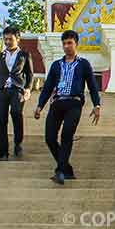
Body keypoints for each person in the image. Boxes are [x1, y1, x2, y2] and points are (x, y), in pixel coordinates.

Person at [34, 30, 101, 185]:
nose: (66, 46)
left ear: (76, 44)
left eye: (69, 43)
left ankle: (60, 171)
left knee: (66, 135)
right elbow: (48, 86)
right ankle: (67, 169)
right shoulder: (56, 65)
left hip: (74, 103)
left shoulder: (83, 64)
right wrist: (40, 105)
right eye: (64, 43)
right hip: (57, 103)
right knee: (50, 138)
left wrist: (97, 104)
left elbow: (92, 86)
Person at [0, 26, 32, 162]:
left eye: (10, 39)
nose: (7, 42)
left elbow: (29, 74)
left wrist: (28, 88)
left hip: (17, 89)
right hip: (0, 91)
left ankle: (18, 142)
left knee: (16, 114)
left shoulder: (24, 55)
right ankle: (3, 152)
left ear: (17, 39)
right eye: (5, 39)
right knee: (0, 120)